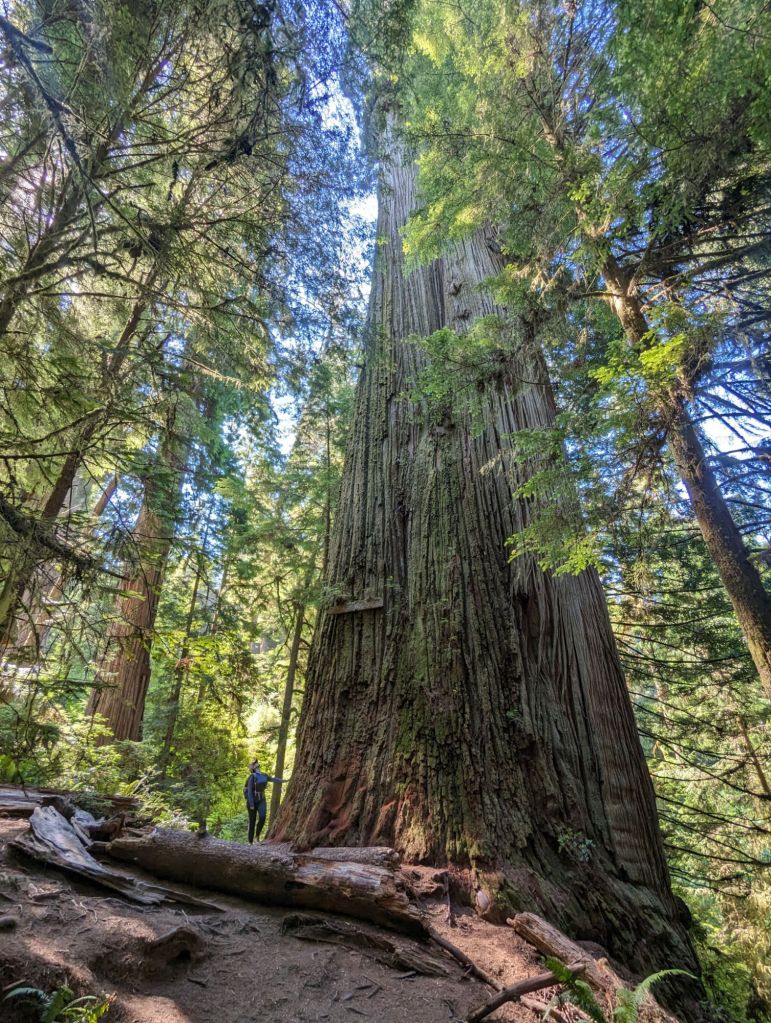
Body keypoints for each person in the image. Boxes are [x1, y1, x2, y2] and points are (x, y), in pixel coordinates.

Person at [243, 759, 285, 844]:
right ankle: (250, 842)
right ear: (254, 768)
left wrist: (285, 780)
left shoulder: (264, 775)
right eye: (255, 764)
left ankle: (257, 837)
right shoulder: (252, 777)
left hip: (261, 799)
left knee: (262, 817)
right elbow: (250, 791)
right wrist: (251, 804)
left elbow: (273, 779)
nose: (258, 765)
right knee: (252, 821)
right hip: (252, 801)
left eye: (257, 764)